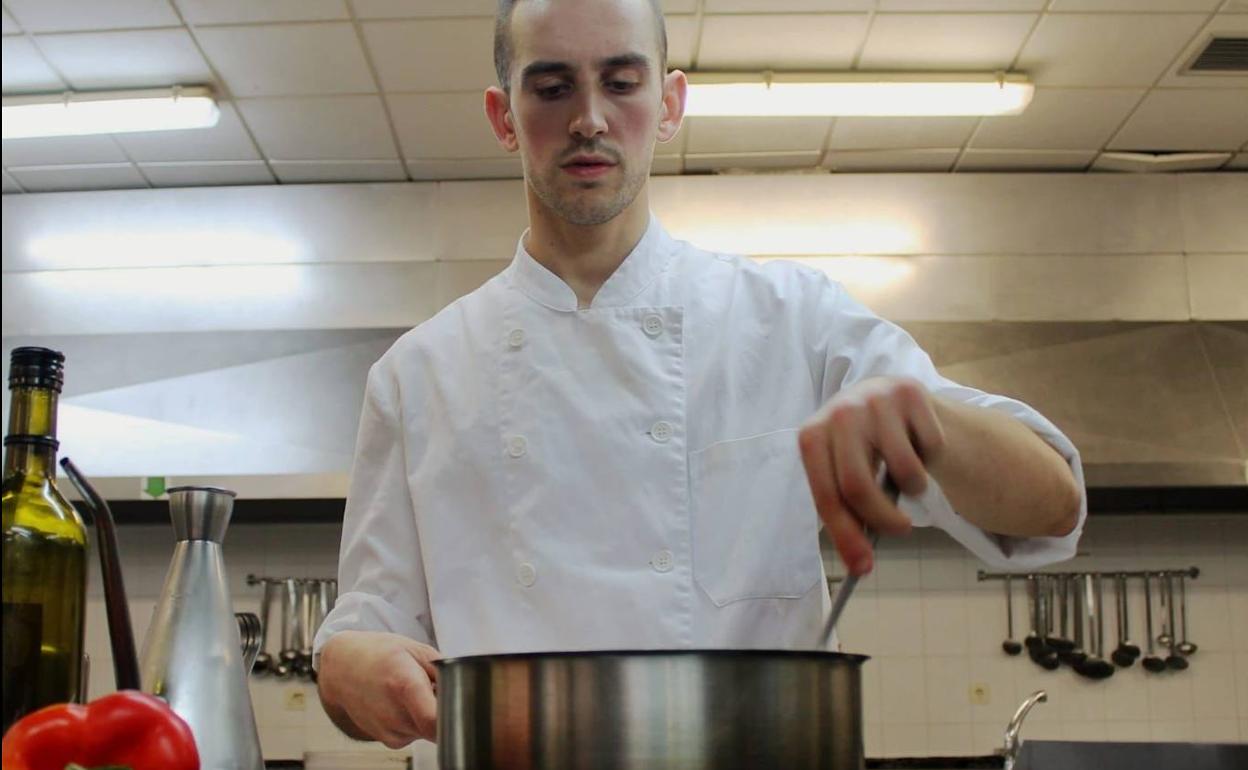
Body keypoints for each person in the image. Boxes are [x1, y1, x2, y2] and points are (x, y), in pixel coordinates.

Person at [313, 0, 1084, 750]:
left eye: (621, 82)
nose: (589, 118)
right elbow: (369, 625)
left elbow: (1049, 505)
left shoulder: (793, 322)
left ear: (670, 101)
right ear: (502, 115)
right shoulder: (419, 376)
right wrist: (344, 666)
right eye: (552, 88)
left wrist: (926, 419)